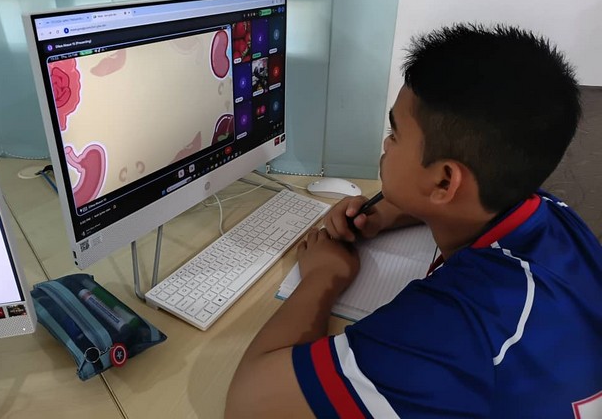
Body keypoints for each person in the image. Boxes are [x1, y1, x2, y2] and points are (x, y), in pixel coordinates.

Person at [225, 24, 602, 418]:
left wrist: (323, 276)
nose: (386, 145)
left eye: (395, 133)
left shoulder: (455, 325)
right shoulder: (553, 216)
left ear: (443, 181)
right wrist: (387, 215)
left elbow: (248, 404)